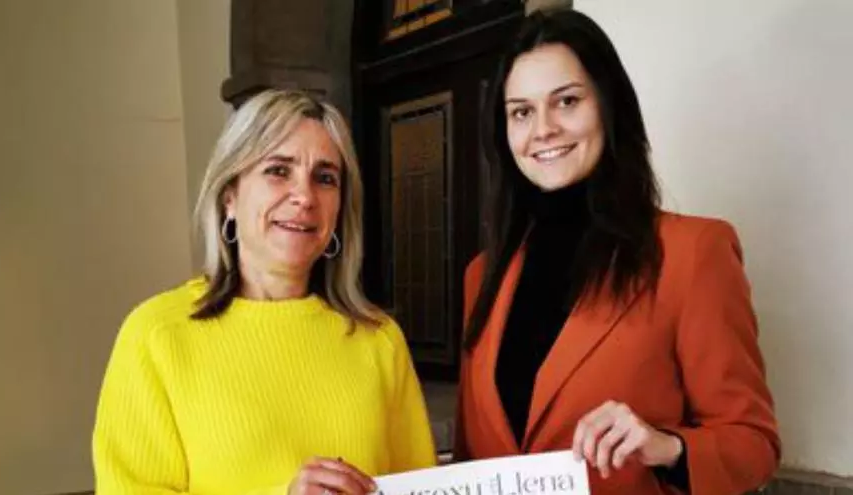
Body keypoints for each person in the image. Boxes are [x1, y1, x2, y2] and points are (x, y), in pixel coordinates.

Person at [454, 10, 780, 495]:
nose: (543, 129)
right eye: (521, 111)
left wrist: (666, 446)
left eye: (566, 101)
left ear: (609, 107)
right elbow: (470, 459)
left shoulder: (692, 253)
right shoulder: (483, 276)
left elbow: (753, 445)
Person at [93, 89, 436, 495]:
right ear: (230, 196)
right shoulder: (155, 336)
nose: (304, 197)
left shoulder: (380, 340)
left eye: (325, 178)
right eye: (278, 170)